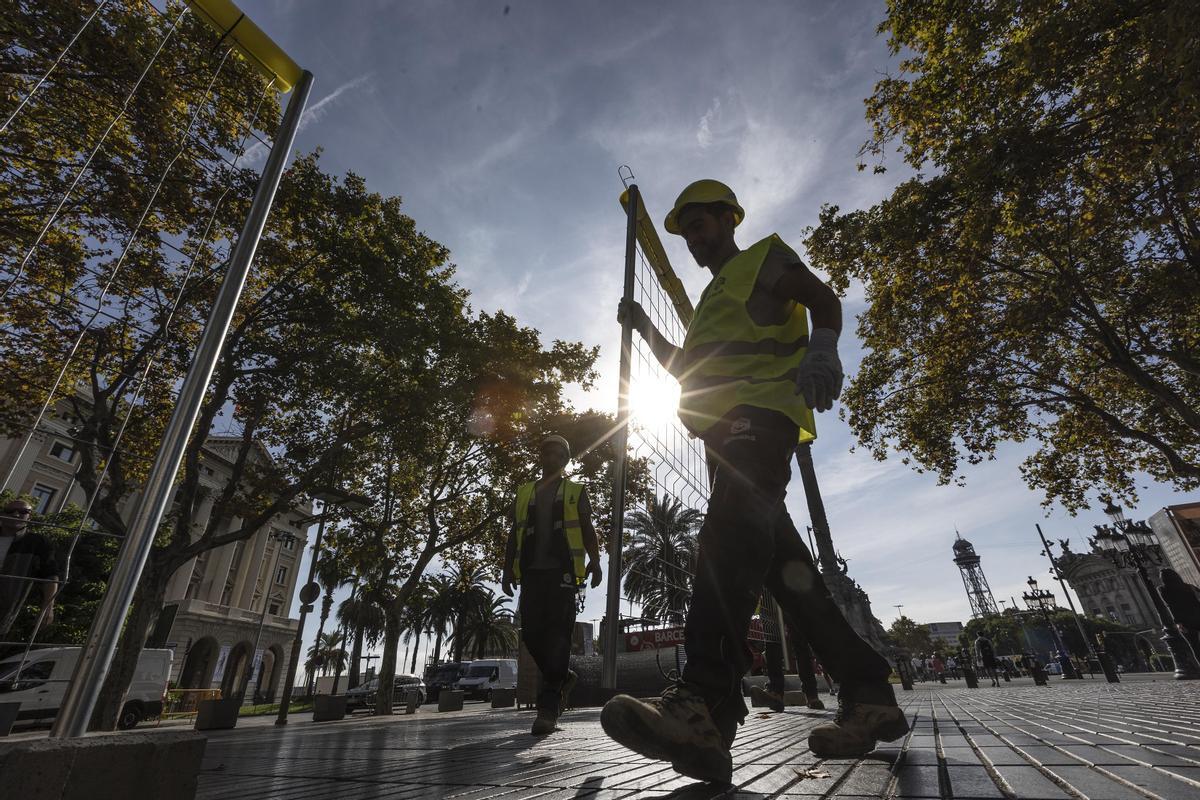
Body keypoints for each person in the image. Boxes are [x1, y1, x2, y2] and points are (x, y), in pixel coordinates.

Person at [601, 180, 907, 784]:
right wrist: (643, 329)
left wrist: (824, 350)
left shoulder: (760, 259)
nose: (693, 238)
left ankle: (703, 704)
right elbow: (689, 370)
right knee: (791, 577)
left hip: (760, 422)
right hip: (725, 440)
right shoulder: (713, 298)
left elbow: (824, 300)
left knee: (724, 544)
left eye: (701, 225)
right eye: (685, 231)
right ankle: (868, 691)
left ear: (729, 219)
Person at [501, 435, 603, 736]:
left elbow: (587, 528)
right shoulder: (523, 493)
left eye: (559, 453)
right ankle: (562, 676)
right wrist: (507, 570)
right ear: (540, 457)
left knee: (558, 636)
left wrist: (595, 562)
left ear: (566, 460)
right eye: (548, 452)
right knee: (531, 634)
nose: (552, 457)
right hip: (532, 574)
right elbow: (513, 534)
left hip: (563, 575)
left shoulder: (575, 491)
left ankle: (547, 709)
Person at [0, 498, 59, 637]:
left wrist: (48, 607)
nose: (16, 514)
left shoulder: (37, 543)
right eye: (10, 511)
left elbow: (50, 575)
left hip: (5, 608)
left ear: (30, 516)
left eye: (23, 511)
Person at [1159, 568, 1200, 662]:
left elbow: (1171, 606)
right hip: (1198, 616)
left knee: (1195, 646)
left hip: (1185, 621)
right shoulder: (1189, 586)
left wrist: (1178, 622)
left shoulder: (1163, 590)